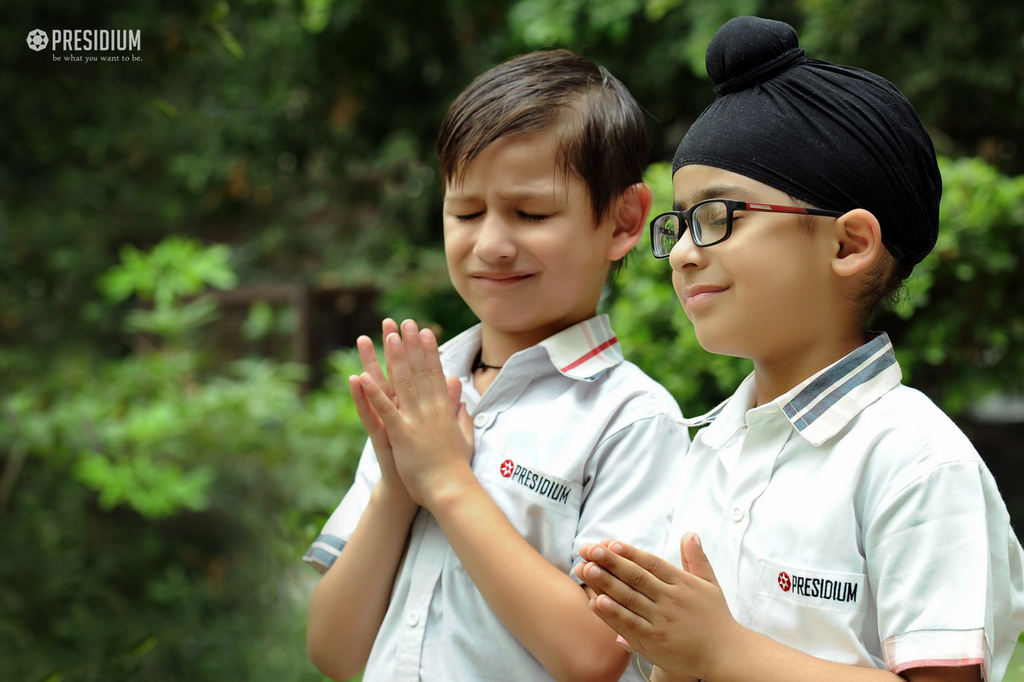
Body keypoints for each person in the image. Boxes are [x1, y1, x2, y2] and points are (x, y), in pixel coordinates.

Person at [575, 15, 1024, 682]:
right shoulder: (713, 445)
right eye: (680, 222)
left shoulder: (916, 461)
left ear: (849, 245)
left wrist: (719, 649)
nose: (686, 253)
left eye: (720, 215)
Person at [304, 49, 689, 682]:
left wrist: (446, 481)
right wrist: (401, 487)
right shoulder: (422, 397)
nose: (491, 244)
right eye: (466, 212)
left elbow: (597, 653)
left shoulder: (632, 420)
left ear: (622, 222)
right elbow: (334, 651)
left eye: (531, 213)